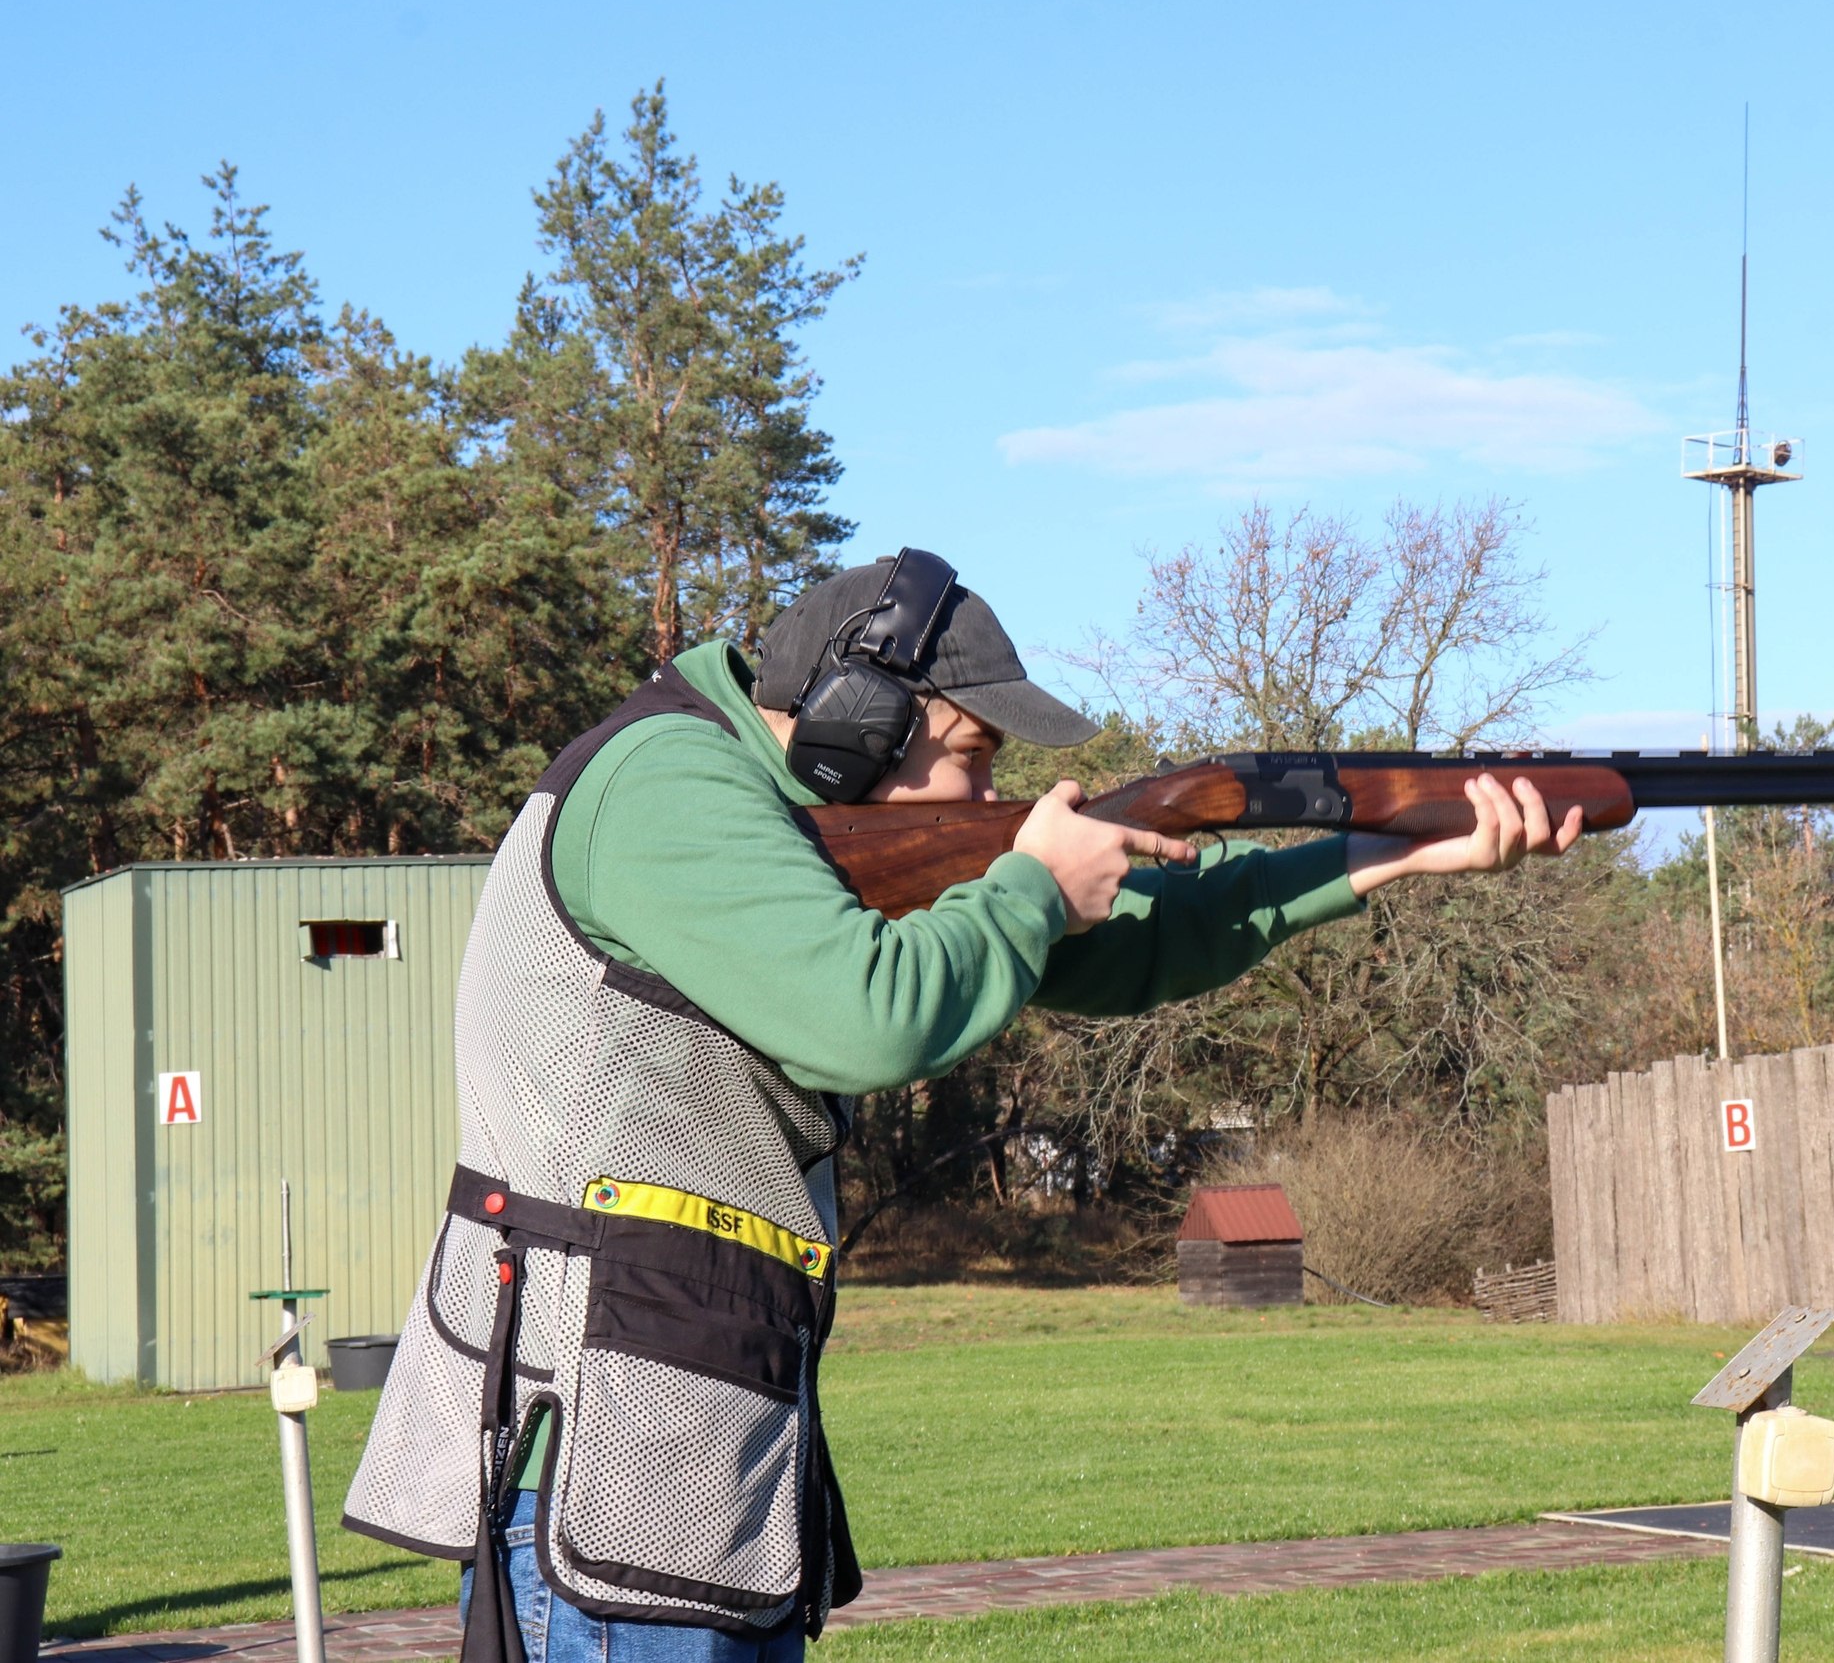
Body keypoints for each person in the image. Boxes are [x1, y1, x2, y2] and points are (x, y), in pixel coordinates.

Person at [342, 549, 1581, 1663]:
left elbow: (1145, 942)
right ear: (849, 723)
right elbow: (868, 1016)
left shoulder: (769, 814)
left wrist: (1398, 850)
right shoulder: (667, 783)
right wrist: (1033, 884)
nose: (991, 799)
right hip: (613, 1468)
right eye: (973, 758)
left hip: (692, 1453)